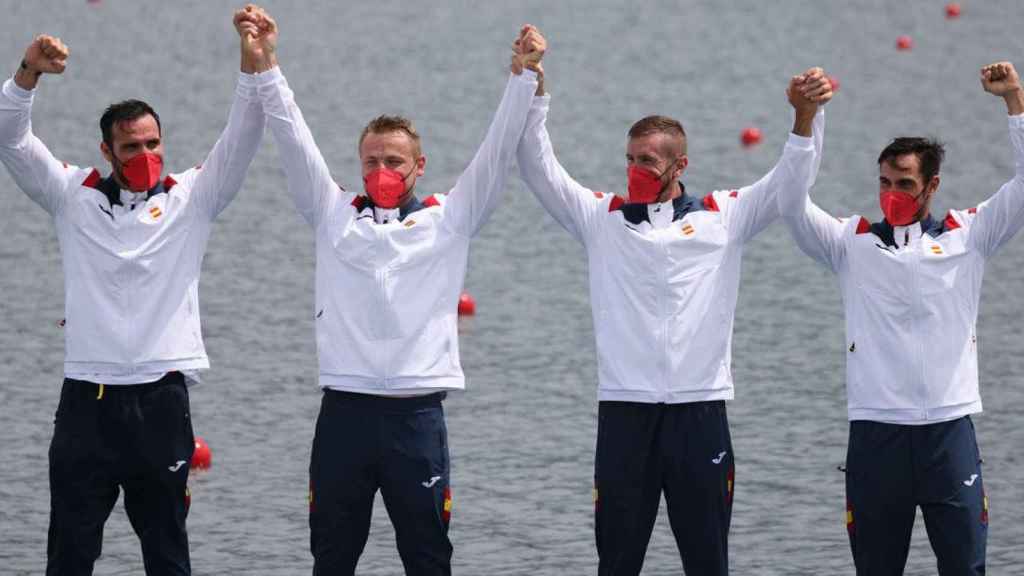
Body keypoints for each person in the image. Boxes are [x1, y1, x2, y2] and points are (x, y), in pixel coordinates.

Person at [234, 5, 545, 574]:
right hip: (344, 416)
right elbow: (291, 135)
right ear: (358, 164)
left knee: (428, 558)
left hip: (416, 419)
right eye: (372, 160)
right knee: (331, 558)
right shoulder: (331, 214)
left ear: (418, 166)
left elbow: (497, 153)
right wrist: (267, 62)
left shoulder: (449, 218)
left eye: (394, 161)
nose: (382, 169)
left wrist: (522, 78)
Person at [515, 59, 833, 574]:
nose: (635, 169)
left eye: (647, 161)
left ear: (679, 166)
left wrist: (806, 116)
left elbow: (790, 186)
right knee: (616, 562)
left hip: (699, 414)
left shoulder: (725, 215)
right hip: (625, 415)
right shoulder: (601, 218)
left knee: (708, 563)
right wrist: (536, 88)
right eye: (630, 159)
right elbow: (537, 165)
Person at [0, 8, 277, 575]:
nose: (145, 156)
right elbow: (9, 138)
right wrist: (27, 74)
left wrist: (253, 63)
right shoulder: (70, 194)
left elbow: (243, 136)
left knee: (168, 556)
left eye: (153, 143)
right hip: (86, 403)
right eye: (131, 148)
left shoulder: (192, 198)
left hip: (161, 402)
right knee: (70, 556)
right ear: (108, 152)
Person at [776, 61, 1023, 575]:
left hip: (948, 434)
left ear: (931, 186)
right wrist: (807, 119)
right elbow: (793, 205)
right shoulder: (851, 243)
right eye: (884, 181)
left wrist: (1015, 102)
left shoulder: (969, 235)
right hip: (876, 436)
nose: (891, 194)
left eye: (904, 183)